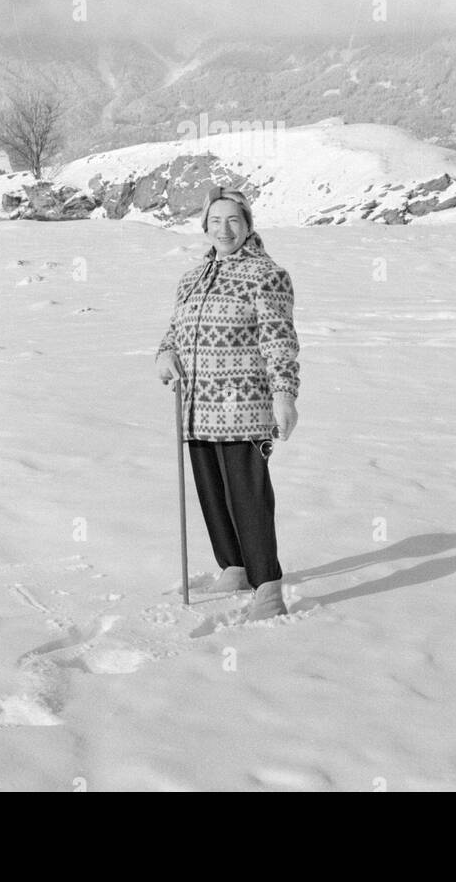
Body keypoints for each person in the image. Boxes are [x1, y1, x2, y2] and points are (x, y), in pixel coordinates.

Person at [155, 186, 300, 620]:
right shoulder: (192, 278)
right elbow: (175, 328)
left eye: (234, 220)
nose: (224, 229)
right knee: (212, 494)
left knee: (248, 498)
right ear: (205, 227)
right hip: (197, 406)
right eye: (215, 221)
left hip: (244, 408)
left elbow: (280, 341)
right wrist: (165, 352)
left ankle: (268, 587)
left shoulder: (266, 275)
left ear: (248, 226)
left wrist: (284, 395)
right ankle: (234, 566)